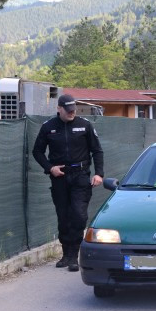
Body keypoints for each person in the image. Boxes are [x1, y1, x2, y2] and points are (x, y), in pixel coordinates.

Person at [32, 94, 103, 272]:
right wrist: (50, 168)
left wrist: (99, 174)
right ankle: (65, 254)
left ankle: (74, 256)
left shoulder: (85, 125)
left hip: (80, 175)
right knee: (63, 216)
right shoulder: (48, 127)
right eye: (68, 110)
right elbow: (37, 152)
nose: (72, 113)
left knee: (78, 215)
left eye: (74, 110)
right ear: (59, 109)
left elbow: (97, 151)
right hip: (59, 177)